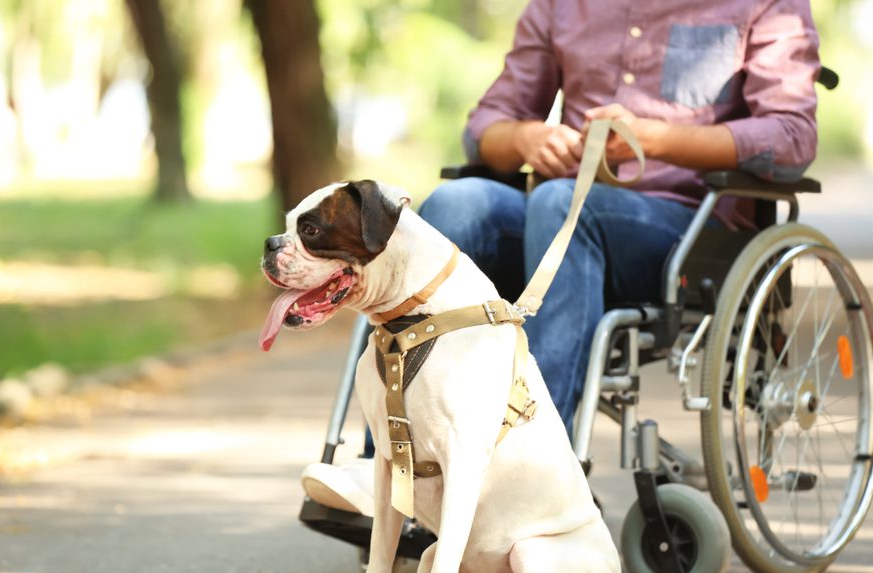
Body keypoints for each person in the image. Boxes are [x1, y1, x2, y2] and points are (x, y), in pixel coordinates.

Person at [302, 0, 821, 515]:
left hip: (684, 228)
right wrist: (526, 137)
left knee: (559, 200)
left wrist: (657, 138)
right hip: (557, 212)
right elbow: (485, 127)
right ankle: (390, 472)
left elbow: (793, 137)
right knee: (456, 205)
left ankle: (527, 478)